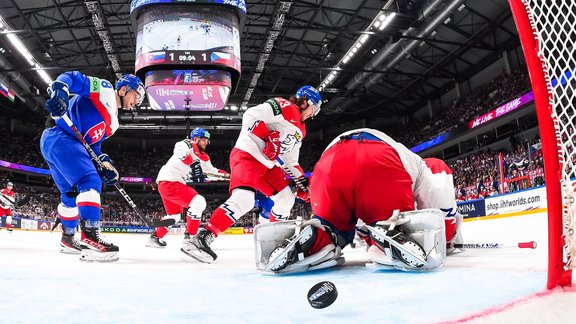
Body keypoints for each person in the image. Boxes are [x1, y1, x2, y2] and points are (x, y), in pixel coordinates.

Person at [257, 128, 464, 273]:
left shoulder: (407, 156)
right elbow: (438, 191)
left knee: (332, 233)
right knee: (390, 228)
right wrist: (448, 235)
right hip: (377, 160)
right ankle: (392, 234)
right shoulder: (427, 164)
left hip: (326, 166)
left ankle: (316, 239)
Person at [181, 85, 322, 263]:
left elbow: (290, 160)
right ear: (304, 102)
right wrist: (267, 137)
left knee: (287, 199)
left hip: (268, 166)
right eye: (313, 108)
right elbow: (250, 115)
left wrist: (303, 183)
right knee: (245, 199)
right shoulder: (283, 105)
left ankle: (269, 240)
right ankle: (201, 238)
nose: (313, 113)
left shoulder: (302, 131)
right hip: (247, 155)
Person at [40, 71, 145, 262]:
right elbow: (71, 78)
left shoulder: (113, 124)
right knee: (89, 180)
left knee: (70, 195)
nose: (136, 101)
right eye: (136, 95)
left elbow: (94, 145)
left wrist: (105, 163)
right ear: (123, 89)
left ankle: (68, 238)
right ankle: (89, 237)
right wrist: (61, 93)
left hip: (57, 144)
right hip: (61, 136)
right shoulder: (104, 90)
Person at [146, 127, 229, 250]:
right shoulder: (186, 144)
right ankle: (190, 238)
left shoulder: (204, 158)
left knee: (174, 216)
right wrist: (193, 163)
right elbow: (179, 151)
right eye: (203, 140)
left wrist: (229, 177)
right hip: (170, 181)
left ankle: (155, 237)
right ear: (195, 139)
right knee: (199, 202)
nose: (206, 143)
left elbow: (212, 172)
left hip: (169, 183)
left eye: (207, 140)